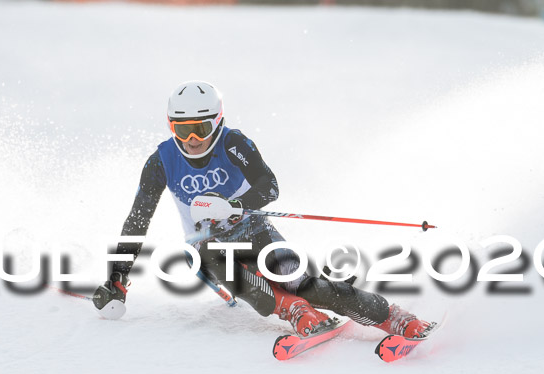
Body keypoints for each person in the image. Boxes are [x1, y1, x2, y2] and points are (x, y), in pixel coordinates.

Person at [93, 80, 435, 339]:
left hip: (254, 232)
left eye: (201, 128)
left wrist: (236, 206)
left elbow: (268, 185)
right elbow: (138, 220)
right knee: (222, 265)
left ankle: (391, 316)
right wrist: (118, 277)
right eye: (183, 129)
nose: (192, 139)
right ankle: (293, 310)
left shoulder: (233, 143)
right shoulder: (161, 161)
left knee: (306, 284)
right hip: (204, 247)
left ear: (218, 122)